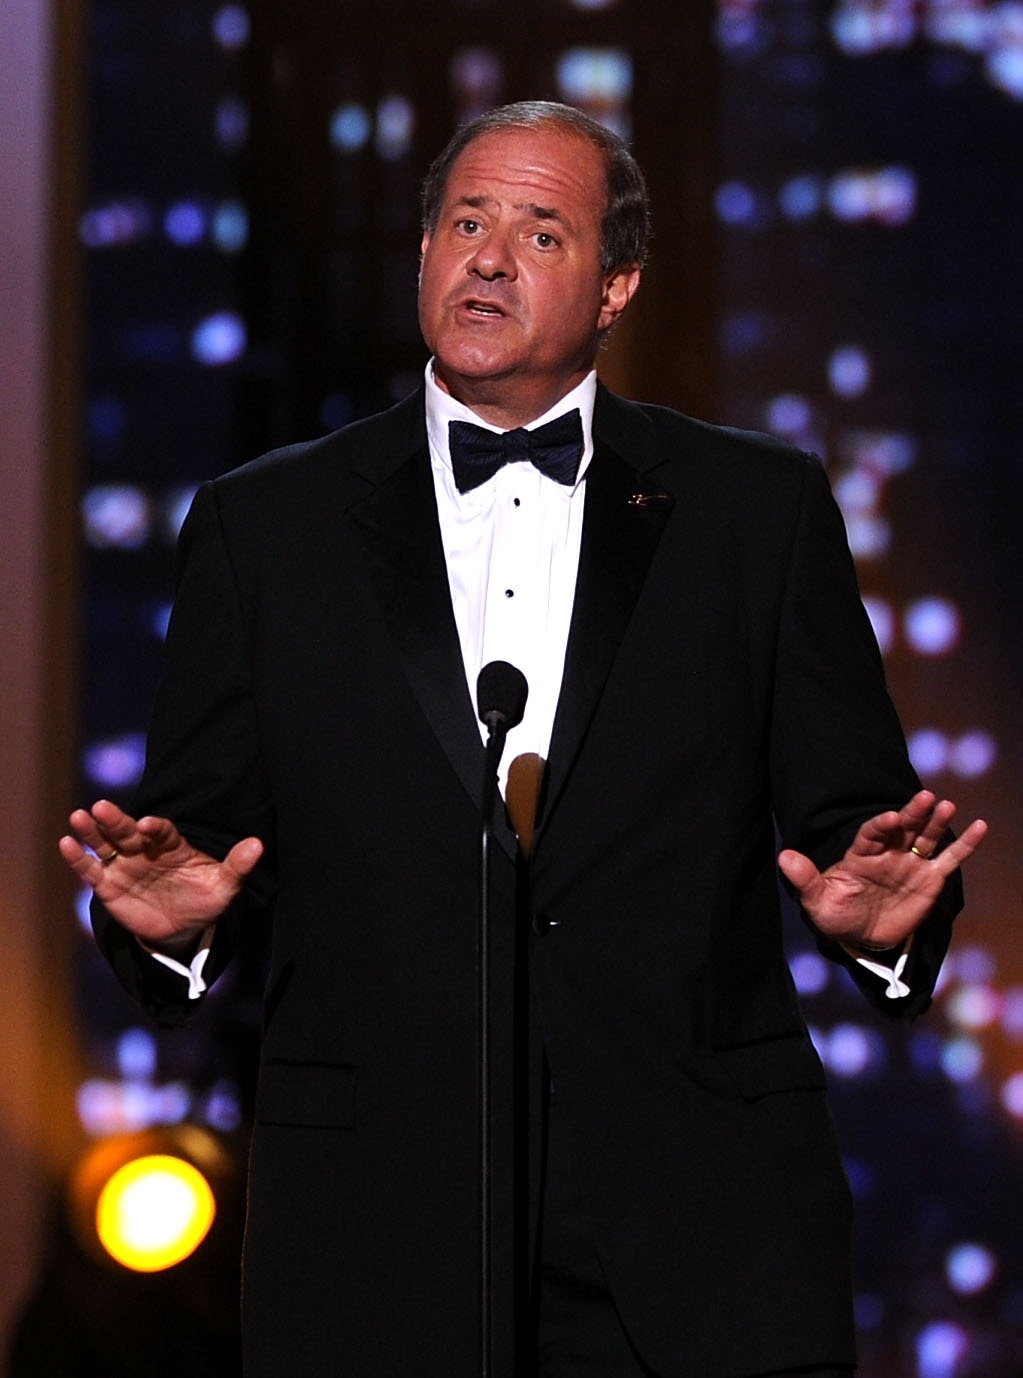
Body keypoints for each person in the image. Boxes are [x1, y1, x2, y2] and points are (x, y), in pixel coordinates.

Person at [60, 101, 986, 1378]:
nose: (487, 257)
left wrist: (887, 935)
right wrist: (176, 928)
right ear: (425, 253)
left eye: (540, 232)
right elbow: (195, 847)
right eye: (464, 222)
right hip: (378, 1228)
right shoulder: (263, 527)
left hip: (696, 1219)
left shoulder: (754, 511)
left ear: (616, 287)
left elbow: (858, 831)